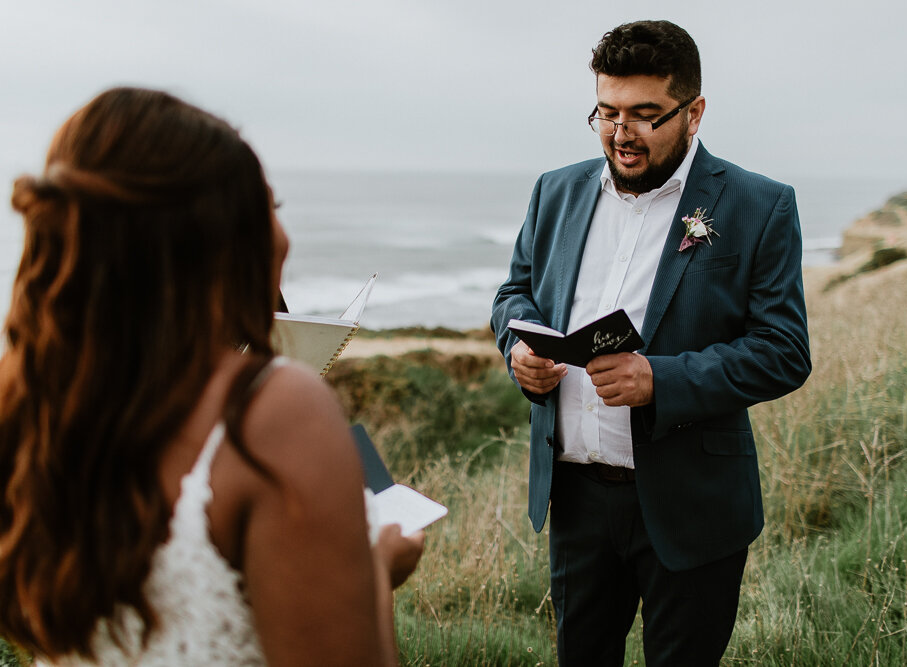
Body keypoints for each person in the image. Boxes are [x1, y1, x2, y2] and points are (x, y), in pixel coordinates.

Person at [0, 87, 423, 666]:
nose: (284, 237)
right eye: (268, 210)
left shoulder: (33, 405)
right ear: (204, 239)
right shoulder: (276, 410)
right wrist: (375, 571)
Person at [492, 20, 811, 666]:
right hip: (576, 500)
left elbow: (784, 350)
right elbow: (514, 294)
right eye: (606, 112)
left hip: (692, 503)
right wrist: (517, 352)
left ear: (693, 112)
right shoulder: (555, 191)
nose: (620, 133)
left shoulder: (758, 205)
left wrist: (660, 379)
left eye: (644, 115)